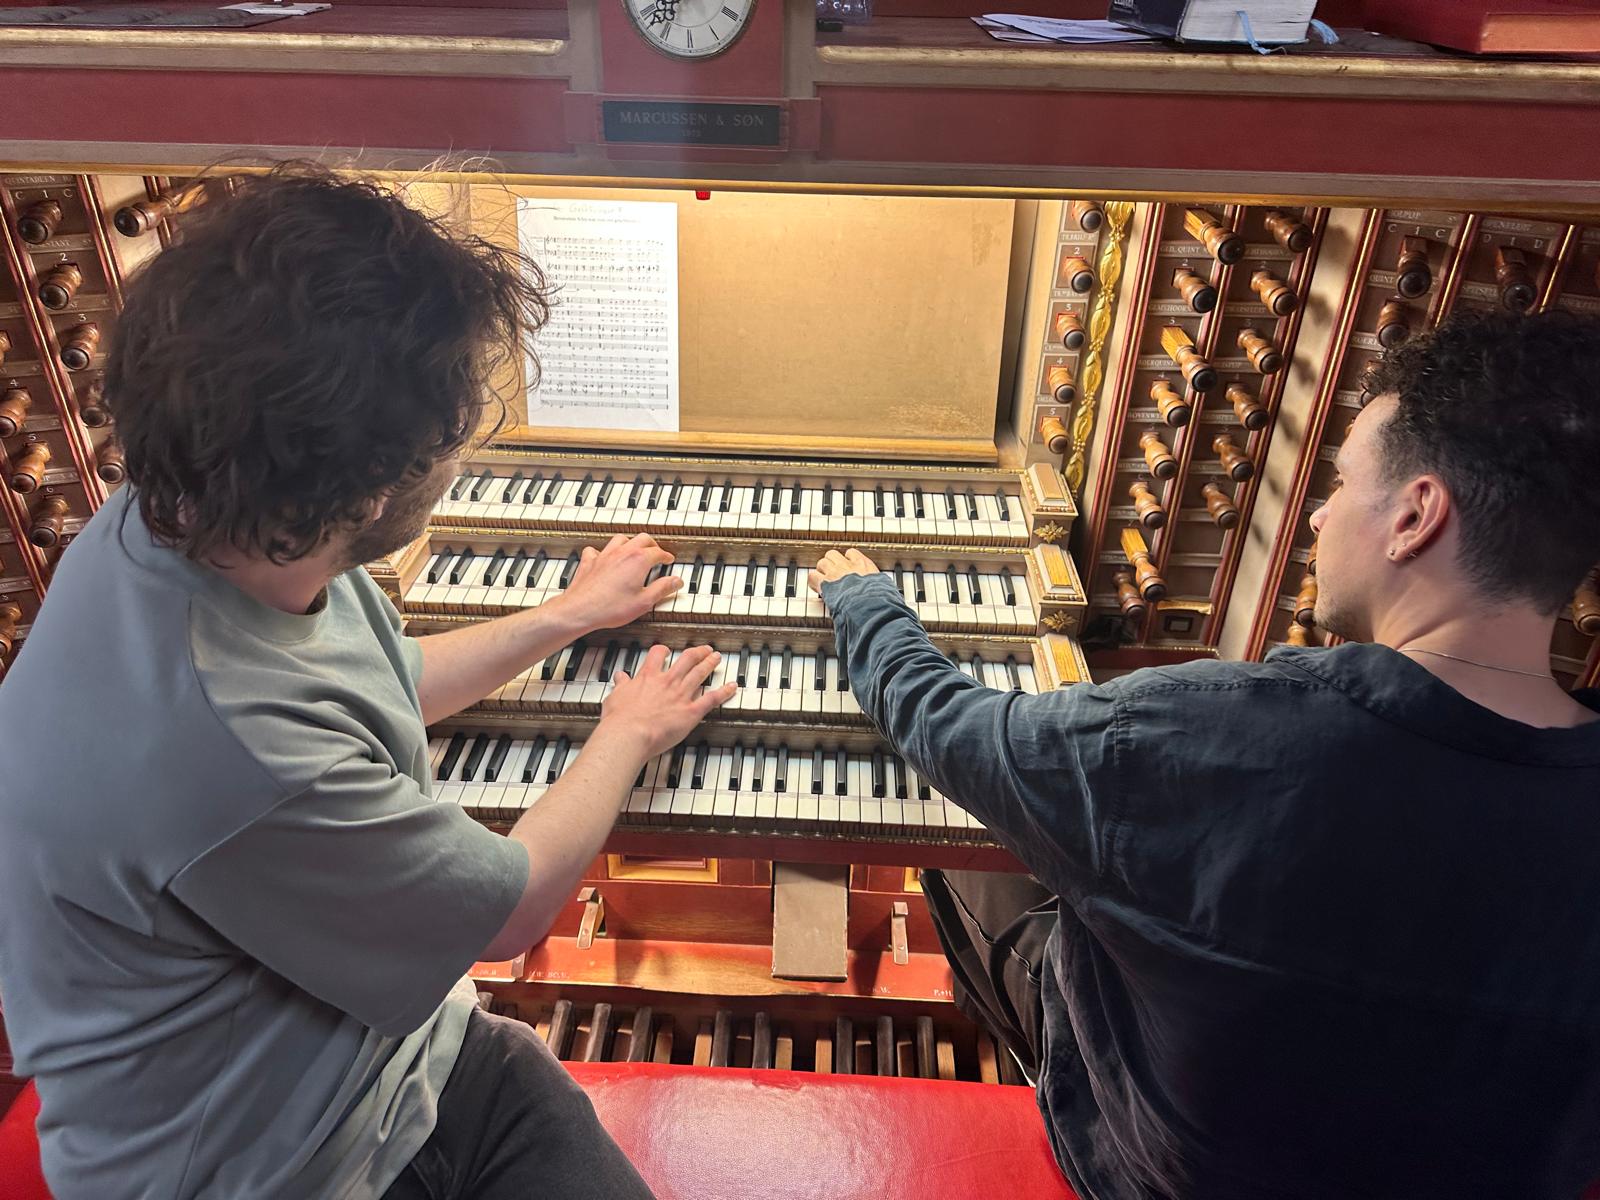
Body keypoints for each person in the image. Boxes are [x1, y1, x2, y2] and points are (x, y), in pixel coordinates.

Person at [0, 166, 734, 1199]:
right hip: (291, 1166)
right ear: (371, 488)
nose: (461, 453)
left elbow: (374, 690)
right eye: (454, 436)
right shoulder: (223, 745)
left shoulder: (205, 507)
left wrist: (562, 617)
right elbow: (513, 910)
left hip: (389, 1062)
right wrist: (627, 730)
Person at [809, 309, 1600, 1200]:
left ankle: (1024, 1063)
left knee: (965, 840)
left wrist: (867, 604)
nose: (1320, 513)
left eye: (1342, 481)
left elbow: (949, 729)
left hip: (1158, 1173)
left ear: (1415, 517)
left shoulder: (1215, 738)